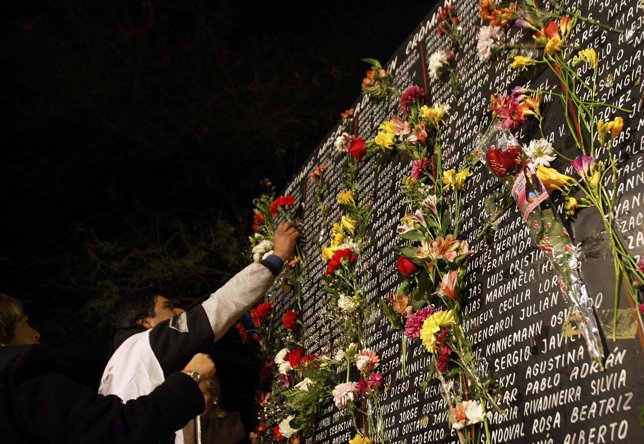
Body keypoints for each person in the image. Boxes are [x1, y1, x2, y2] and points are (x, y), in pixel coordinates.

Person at [99, 221, 299, 444]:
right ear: (146, 322)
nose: (179, 312)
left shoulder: (114, 372)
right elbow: (217, 309)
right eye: (168, 308)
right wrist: (277, 257)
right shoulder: (143, 346)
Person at [0, 293, 216, 444]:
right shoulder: (20, 376)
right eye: (25, 323)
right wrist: (190, 379)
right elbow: (119, 429)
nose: (36, 333)